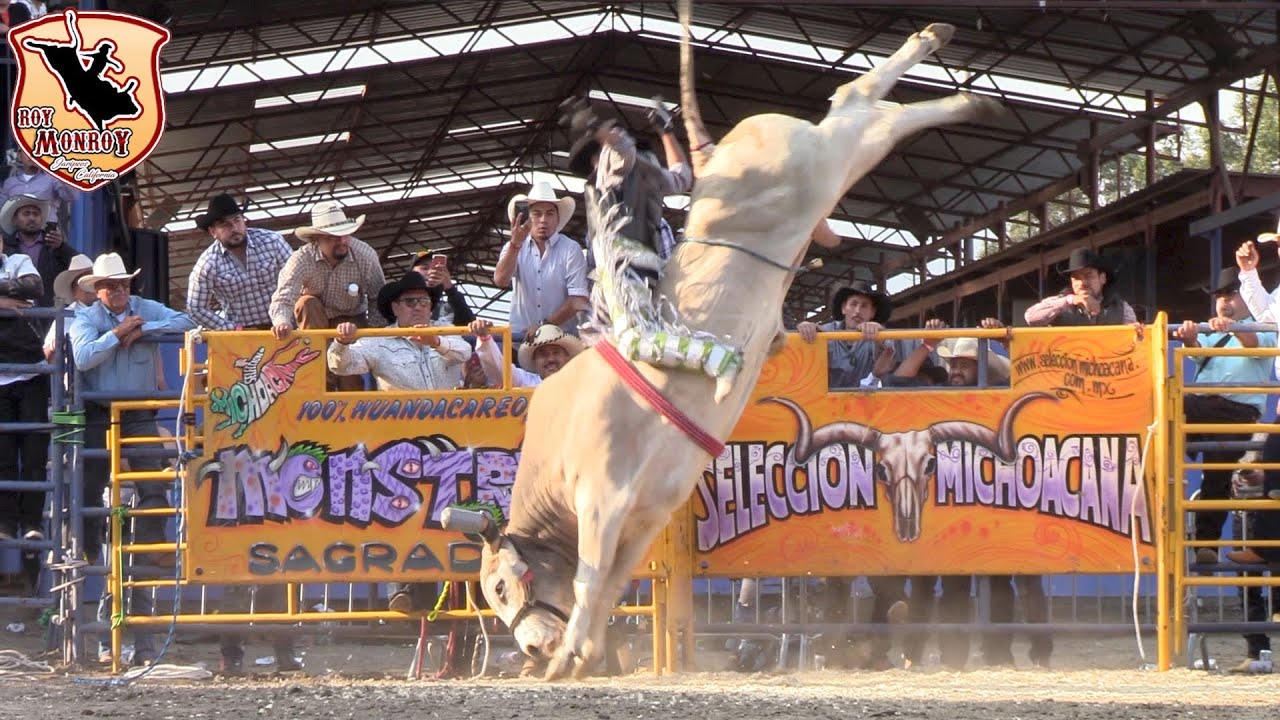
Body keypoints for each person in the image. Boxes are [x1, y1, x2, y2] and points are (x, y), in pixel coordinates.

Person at [67, 252, 195, 562]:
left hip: (137, 407)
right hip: (98, 409)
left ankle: (152, 548)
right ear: (98, 290)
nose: (120, 290)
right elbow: (82, 358)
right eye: (111, 286)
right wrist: (118, 333)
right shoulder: (86, 318)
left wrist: (144, 329)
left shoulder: (143, 308)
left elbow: (189, 321)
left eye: (123, 284)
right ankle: (87, 547)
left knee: (152, 477)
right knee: (91, 480)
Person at [1171, 266, 1275, 565]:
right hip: (1201, 407)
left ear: (1246, 299)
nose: (1224, 301)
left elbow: (1253, 344)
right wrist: (1189, 338)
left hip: (1237, 413)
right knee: (1169, 418)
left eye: (1231, 294)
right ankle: (1161, 512)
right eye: (1220, 296)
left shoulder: (1264, 326)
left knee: (1216, 478)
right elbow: (1196, 351)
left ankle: (1206, 546)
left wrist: (1232, 327)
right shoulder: (1209, 329)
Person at [269, 201, 387, 390]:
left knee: (351, 383)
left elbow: (378, 298)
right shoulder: (301, 260)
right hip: (314, 322)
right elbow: (284, 296)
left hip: (351, 321)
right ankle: (318, 378)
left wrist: (372, 337)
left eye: (345, 234)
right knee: (307, 303)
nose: (341, 241)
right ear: (317, 239)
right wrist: (281, 322)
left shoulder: (365, 255)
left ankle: (346, 389)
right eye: (332, 237)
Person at [328, 271, 472, 392]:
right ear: (395, 308)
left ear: (430, 308)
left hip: (451, 415)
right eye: (410, 301)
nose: (418, 307)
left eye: (424, 301)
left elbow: (465, 352)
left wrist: (436, 342)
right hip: (402, 417)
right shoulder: (379, 340)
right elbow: (342, 366)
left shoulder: (446, 329)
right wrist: (342, 342)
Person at [492, 182, 588, 337]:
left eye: (550, 214)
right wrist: (515, 245)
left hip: (560, 341)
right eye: (536, 214)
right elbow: (500, 280)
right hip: (520, 338)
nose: (543, 220)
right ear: (527, 218)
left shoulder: (571, 249)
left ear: (557, 219)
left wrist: (544, 326)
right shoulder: (513, 247)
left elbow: (577, 300)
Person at [186, 193, 293, 330]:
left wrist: (285, 318)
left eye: (237, 220)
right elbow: (195, 308)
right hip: (243, 334)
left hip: (286, 326)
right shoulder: (207, 264)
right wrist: (233, 329)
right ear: (213, 232)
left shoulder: (272, 241)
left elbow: (298, 278)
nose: (234, 228)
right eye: (225, 224)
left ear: (244, 221)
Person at [0, 245, 45, 541]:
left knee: (34, 454)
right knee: (2, 455)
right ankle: (5, 523)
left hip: (31, 372)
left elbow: (35, 287)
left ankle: (32, 524)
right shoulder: (18, 266)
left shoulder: (19, 260)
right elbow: (25, 288)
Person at [797, 282, 917, 389]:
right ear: (844, 308)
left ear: (872, 312)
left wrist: (880, 338)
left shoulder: (880, 335)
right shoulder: (824, 332)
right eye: (853, 304)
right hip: (824, 402)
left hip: (864, 401)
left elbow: (888, 358)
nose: (858, 311)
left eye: (864, 306)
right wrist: (805, 328)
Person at [1024, 248, 1139, 328]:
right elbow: (1030, 317)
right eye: (1076, 278)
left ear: (1103, 278)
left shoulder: (1122, 308)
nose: (1082, 282)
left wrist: (1138, 334)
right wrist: (1071, 300)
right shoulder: (1059, 302)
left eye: (1088, 275)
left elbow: (1133, 341)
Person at [0, 193, 78, 307]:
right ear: (15, 219)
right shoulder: (4, 246)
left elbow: (80, 266)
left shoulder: (54, 245)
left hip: (50, 310)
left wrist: (61, 247)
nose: (32, 218)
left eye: (36, 214)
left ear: (41, 219)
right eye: (26, 213)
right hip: (14, 311)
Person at [469, 319, 582, 388]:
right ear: (534, 360)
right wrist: (484, 337)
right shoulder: (526, 381)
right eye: (543, 354)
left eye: (556, 353)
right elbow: (499, 370)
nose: (551, 359)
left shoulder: (582, 384)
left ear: (566, 357)